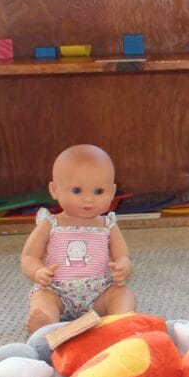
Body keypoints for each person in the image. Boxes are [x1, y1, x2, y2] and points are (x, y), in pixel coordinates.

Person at [21, 143, 136, 333]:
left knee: (124, 294)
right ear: (54, 190)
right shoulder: (50, 223)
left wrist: (123, 268)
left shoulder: (108, 225)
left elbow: (123, 256)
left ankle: (117, 321)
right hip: (57, 291)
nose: (88, 199)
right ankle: (46, 322)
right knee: (42, 297)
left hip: (100, 292)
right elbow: (29, 257)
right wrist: (38, 272)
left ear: (113, 192)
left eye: (99, 191)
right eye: (77, 191)